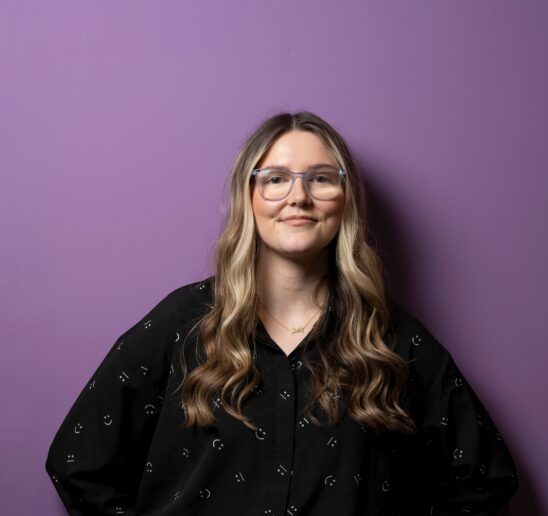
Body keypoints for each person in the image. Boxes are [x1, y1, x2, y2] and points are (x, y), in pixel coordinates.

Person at [46, 111, 518, 515]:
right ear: (248, 198)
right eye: (275, 179)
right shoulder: (181, 323)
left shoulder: (392, 338)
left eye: (320, 178)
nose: (299, 197)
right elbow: (78, 461)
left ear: (345, 198)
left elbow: (484, 477)